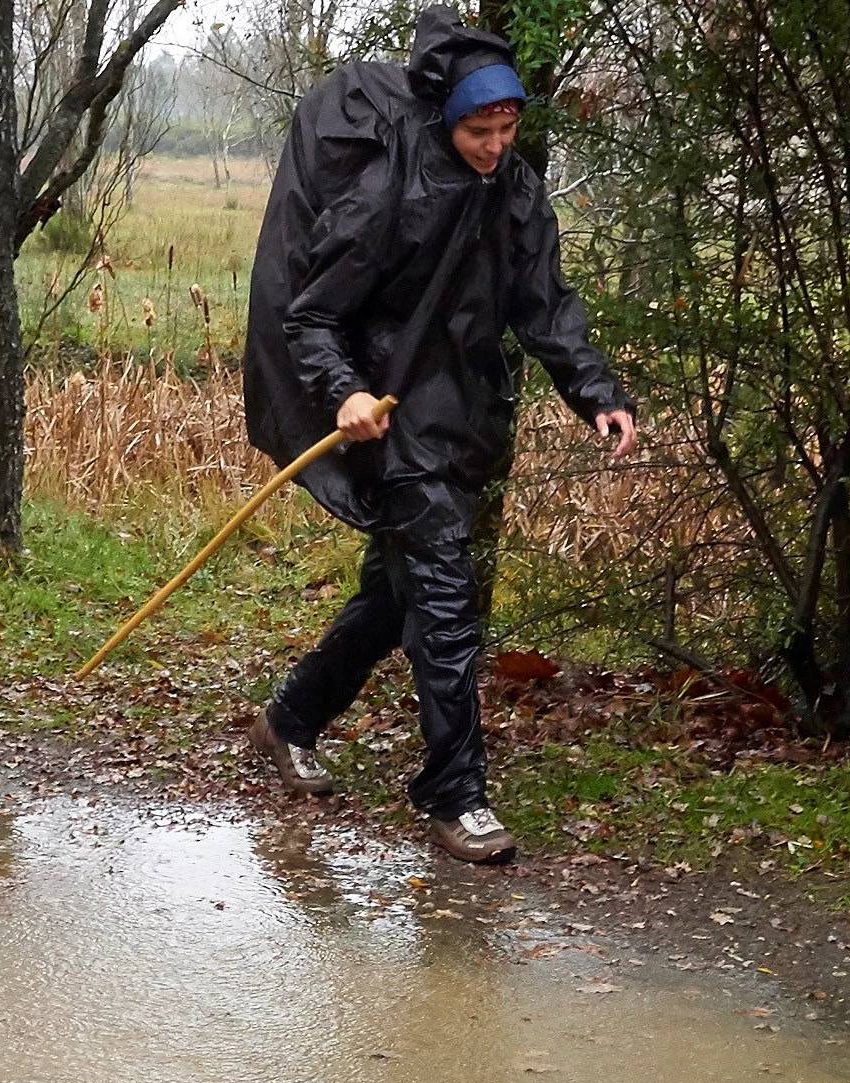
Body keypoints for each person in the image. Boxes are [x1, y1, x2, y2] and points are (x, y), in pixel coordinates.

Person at [241, 10, 639, 866]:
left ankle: (289, 718)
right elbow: (311, 314)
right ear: (446, 117)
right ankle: (456, 797)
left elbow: (544, 306)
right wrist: (344, 391)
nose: (495, 145)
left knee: (397, 598)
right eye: (478, 129)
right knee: (448, 606)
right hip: (394, 424)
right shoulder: (390, 190)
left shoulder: (517, 191)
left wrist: (598, 393)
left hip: (464, 420)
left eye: (507, 127)